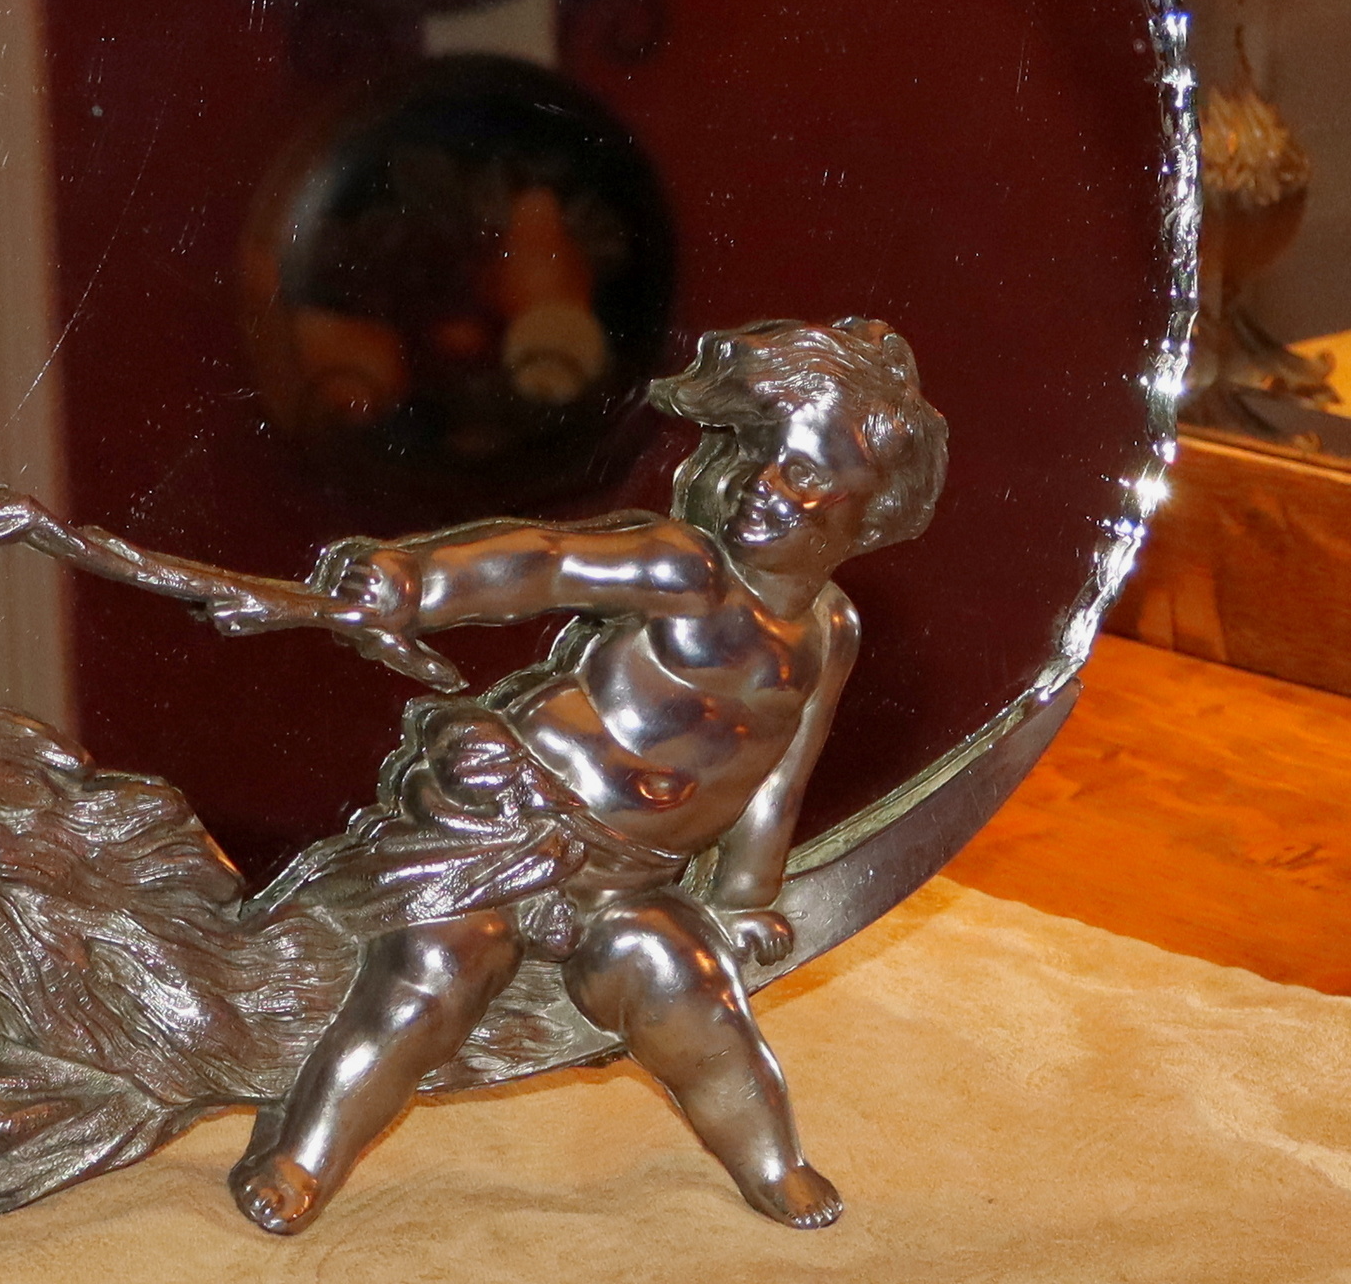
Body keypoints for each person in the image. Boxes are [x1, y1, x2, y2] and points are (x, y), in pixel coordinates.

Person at [223, 317, 948, 1237]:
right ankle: (304, 1154)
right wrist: (413, 581)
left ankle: (773, 1161)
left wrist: (745, 894)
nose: (761, 485)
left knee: (693, 997)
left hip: (632, 879)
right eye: (753, 455)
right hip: (514, 823)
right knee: (433, 978)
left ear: (869, 513)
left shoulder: (829, 634)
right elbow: (544, 560)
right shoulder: (685, 567)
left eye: (802, 474)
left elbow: (781, 774)